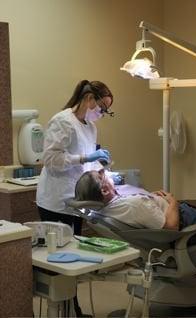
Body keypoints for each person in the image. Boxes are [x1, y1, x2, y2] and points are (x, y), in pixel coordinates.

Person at [36, 80, 114, 317]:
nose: (101, 114)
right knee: (59, 261)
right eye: (102, 108)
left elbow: (88, 160)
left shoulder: (90, 126)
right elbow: (50, 160)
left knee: (75, 260)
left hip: (77, 200)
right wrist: (84, 157)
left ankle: (73, 308)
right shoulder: (62, 121)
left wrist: (101, 166)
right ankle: (63, 310)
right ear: (89, 99)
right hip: (56, 200)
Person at [74, 170, 196, 235]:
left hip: (171, 210)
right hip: (187, 219)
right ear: (104, 191)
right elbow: (171, 228)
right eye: (101, 175)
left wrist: (151, 199)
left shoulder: (103, 209)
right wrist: (173, 201)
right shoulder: (134, 205)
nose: (104, 171)